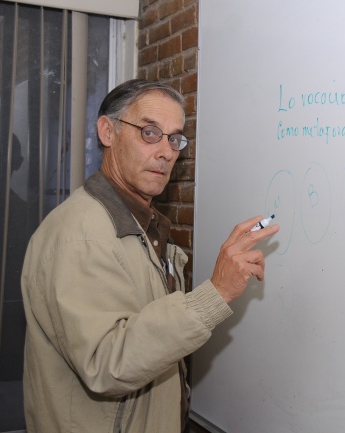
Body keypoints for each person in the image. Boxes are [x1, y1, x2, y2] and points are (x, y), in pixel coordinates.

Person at [20, 80, 279, 433]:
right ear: (107, 131)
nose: (166, 152)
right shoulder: (81, 236)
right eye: (149, 133)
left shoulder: (140, 224)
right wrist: (215, 294)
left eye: (174, 139)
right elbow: (106, 363)